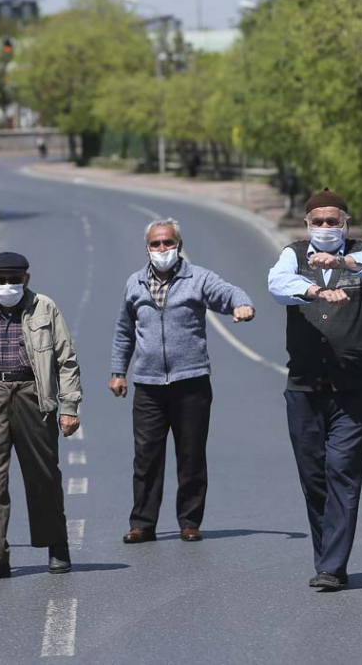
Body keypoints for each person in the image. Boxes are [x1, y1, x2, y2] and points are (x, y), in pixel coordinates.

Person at [267, 188, 362, 591]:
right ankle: (328, 559)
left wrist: (342, 261)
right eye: (317, 221)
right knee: (314, 475)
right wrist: (315, 290)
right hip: (304, 384)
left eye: (332, 220)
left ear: (346, 223)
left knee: (343, 470)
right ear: (307, 224)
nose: (325, 227)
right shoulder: (293, 255)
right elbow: (277, 284)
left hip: (354, 385)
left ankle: (332, 566)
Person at [109, 218, 255, 545]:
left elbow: (226, 292)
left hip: (191, 382)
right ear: (147, 248)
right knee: (146, 457)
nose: (162, 249)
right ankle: (142, 523)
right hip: (148, 385)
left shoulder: (197, 278)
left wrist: (242, 303)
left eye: (168, 243)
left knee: (190, 456)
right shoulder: (134, 284)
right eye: (155, 244)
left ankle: (189, 521)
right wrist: (119, 372)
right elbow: (123, 331)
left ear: (178, 245)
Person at [0, 252, 82, 580]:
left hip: (33, 394)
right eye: (0, 280)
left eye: (14, 279)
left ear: (26, 279)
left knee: (43, 474)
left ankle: (56, 545)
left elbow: (66, 359)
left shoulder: (45, 308)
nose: (7, 285)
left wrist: (69, 406)